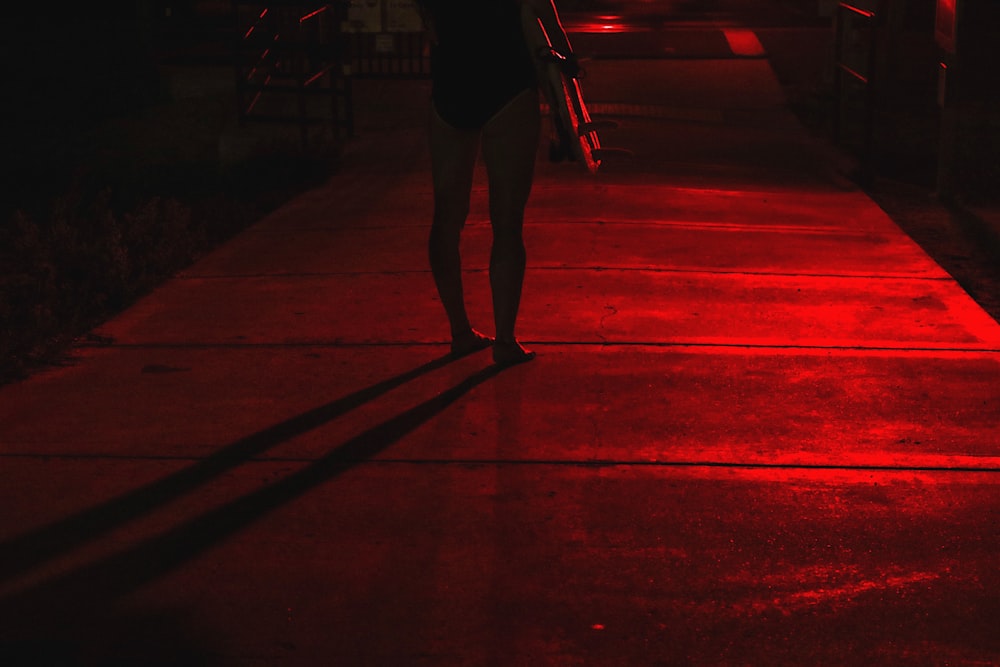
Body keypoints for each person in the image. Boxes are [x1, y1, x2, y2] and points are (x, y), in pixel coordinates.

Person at [417, 0, 573, 366]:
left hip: (451, 87)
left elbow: (429, 25)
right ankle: (504, 341)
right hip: (508, 85)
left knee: (446, 217)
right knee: (506, 222)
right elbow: (545, 20)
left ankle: (460, 333)